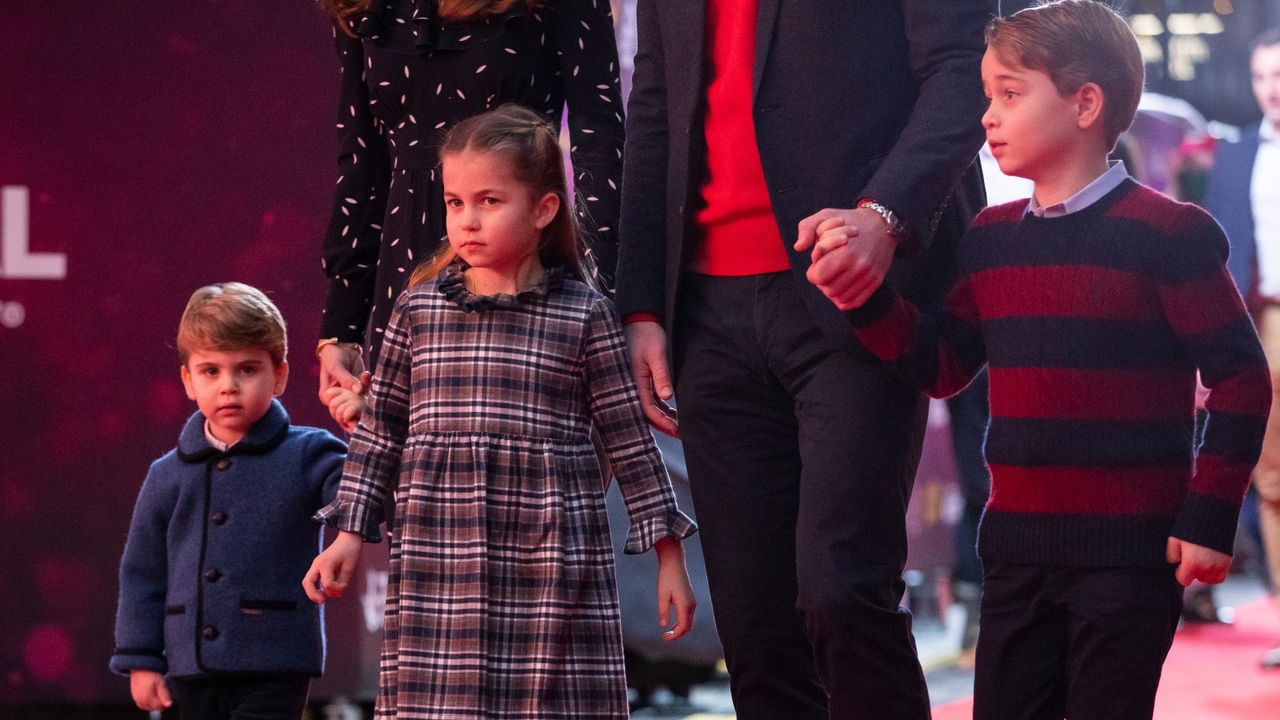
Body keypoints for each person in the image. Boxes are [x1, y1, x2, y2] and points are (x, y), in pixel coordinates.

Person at [825, 3, 1271, 717]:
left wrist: (1208, 517)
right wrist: (863, 296)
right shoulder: (991, 239)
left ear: (1085, 102)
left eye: (1009, 94)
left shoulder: (1171, 233)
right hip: (1015, 555)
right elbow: (942, 365)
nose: (987, 118)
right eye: (987, 97)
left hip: (1130, 558)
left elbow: (1241, 379)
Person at [616, 1, 990, 717]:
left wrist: (886, 215)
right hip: (704, 308)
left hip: (855, 285)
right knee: (756, 632)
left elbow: (963, 67)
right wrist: (641, 306)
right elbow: (656, 103)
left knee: (842, 591)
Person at [303, 105, 698, 719]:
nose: (467, 221)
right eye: (455, 203)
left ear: (543, 209)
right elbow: (381, 432)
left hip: (552, 563)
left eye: (489, 200)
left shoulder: (584, 315)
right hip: (442, 560)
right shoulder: (420, 310)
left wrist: (669, 556)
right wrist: (348, 533)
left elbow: (629, 439)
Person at [314, 0, 626, 431]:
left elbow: (602, 147)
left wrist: (603, 304)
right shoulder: (364, 6)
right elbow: (362, 162)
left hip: (526, 278)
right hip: (404, 273)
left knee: (533, 469)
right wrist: (341, 329)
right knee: (407, 477)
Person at [110, 283, 346, 718]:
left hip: (275, 663)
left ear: (280, 375)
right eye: (211, 371)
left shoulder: (311, 454)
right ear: (187, 379)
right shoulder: (166, 474)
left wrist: (364, 427)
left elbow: (367, 497)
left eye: (247, 369)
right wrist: (141, 659)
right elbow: (143, 572)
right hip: (188, 667)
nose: (228, 387)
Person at [1204, 27, 1280, 668]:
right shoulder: (1233, 158)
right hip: (1265, 326)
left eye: (1279, 74)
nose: (1271, 89)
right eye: (1261, 77)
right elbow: (1222, 262)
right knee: (1273, 479)